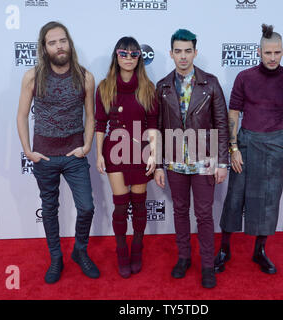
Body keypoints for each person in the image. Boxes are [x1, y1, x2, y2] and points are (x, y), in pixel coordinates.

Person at [214, 24, 283, 275]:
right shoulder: (245, 77)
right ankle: (225, 249)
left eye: (277, 53)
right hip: (245, 142)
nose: (272, 58)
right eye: (268, 53)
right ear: (259, 52)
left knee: (269, 201)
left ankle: (259, 250)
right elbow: (233, 112)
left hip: (275, 145)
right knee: (234, 198)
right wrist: (233, 148)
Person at [17, 21, 99, 284]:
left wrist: (86, 146)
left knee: (86, 207)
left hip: (74, 156)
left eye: (62, 40)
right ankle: (56, 258)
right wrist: (28, 151)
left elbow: (90, 116)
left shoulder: (85, 76)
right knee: (49, 209)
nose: (59, 46)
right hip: (45, 157)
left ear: (69, 42)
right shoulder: (33, 76)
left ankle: (80, 250)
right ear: (44, 47)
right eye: (52, 42)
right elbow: (20, 116)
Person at [154, 29, 229, 288]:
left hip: (204, 161)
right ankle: (184, 258)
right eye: (178, 51)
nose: (183, 56)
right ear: (171, 53)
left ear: (195, 52)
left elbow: (221, 124)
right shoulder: (163, 86)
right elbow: (160, 128)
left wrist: (222, 163)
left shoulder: (211, 83)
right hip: (175, 162)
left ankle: (208, 264)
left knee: (205, 214)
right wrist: (159, 165)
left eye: (188, 51)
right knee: (180, 211)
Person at [95, 36, 158, 279]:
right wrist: (99, 153)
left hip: (140, 150)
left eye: (134, 54)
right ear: (116, 56)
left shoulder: (147, 86)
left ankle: (137, 248)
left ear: (140, 58)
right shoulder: (104, 86)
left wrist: (153, 152)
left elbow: (152, 122)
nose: (129, 58)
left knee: (139, 205)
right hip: (115, 150)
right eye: (124, 53)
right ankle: (122, 250)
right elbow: (100, 123)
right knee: (121, 207)